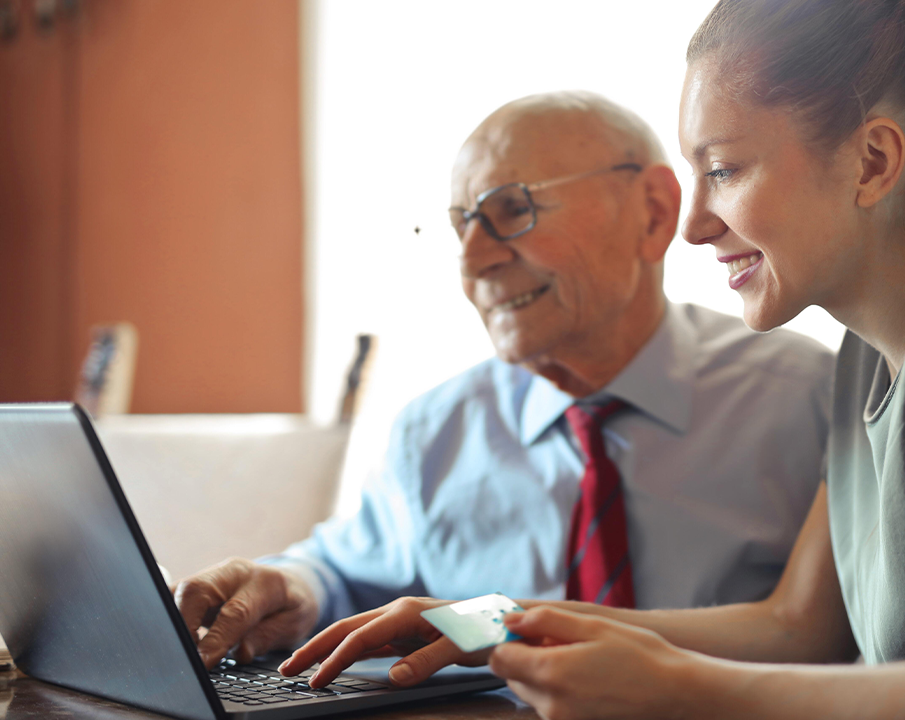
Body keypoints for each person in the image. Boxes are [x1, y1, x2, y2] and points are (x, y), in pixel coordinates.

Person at [278, 1, 905, 718]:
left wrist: (678, 691)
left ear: (871, 163)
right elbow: (796, 626)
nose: (694, 223)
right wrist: (484, 622)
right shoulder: (867, 361)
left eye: (725, 168)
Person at [171, 91, 834, 671]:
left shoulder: (808, 399)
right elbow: (343, 571)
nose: (473, 261)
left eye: (510, 210)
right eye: (462, 225)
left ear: (654, 212)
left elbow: (829, 637)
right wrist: (291, 586)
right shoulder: (435, 430)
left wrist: (483, 624)